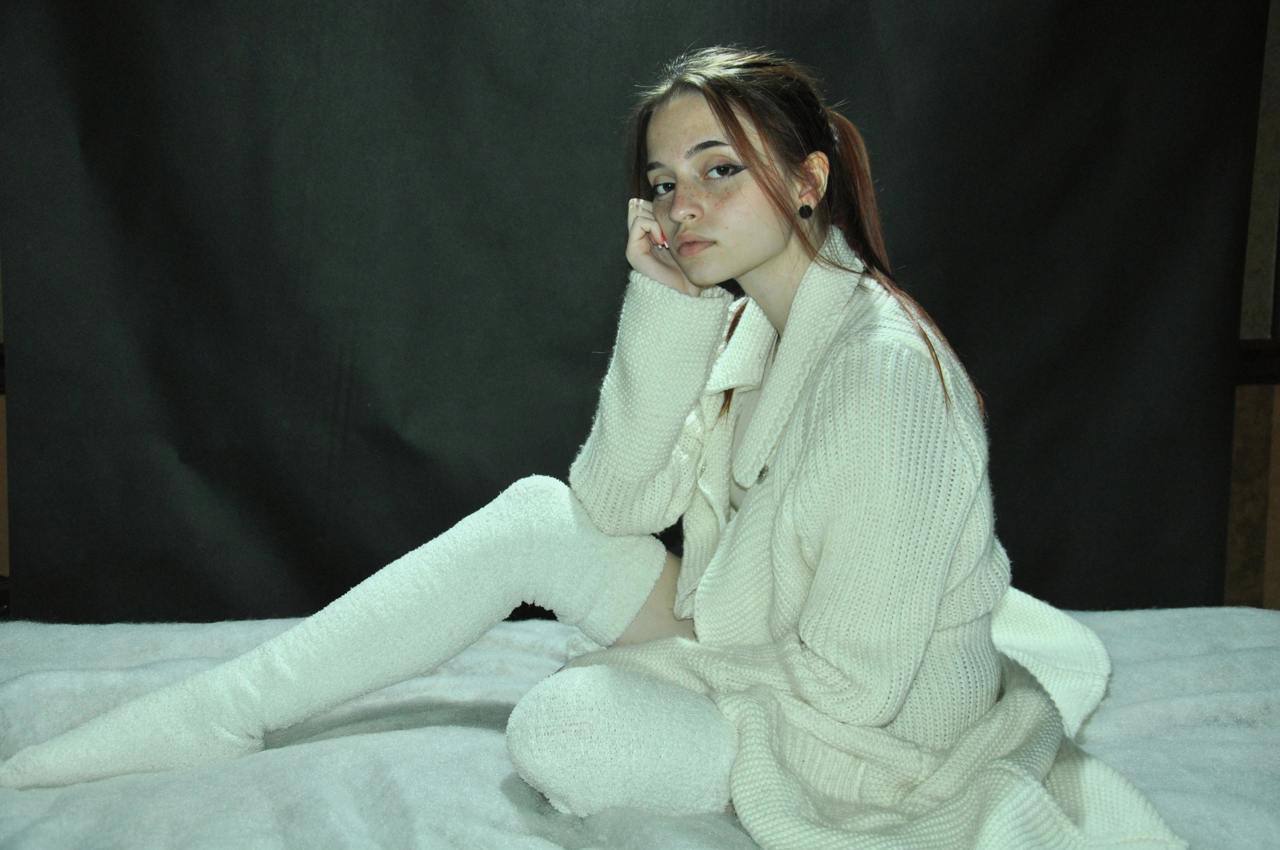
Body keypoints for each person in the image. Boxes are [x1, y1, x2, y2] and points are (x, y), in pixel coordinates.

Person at [1, 46, 1182, 849]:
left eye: (720, 171)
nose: (683, 207)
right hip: (765, 658)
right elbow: (608, 503)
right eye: (663, 184)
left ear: (806, 180)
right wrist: (663, 302)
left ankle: (254, 705)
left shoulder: (879, 374)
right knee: (536, 515)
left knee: (561, 726)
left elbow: (855, 692)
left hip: (860, 745)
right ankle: (228, 707)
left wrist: (662, 674)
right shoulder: (750, 328)